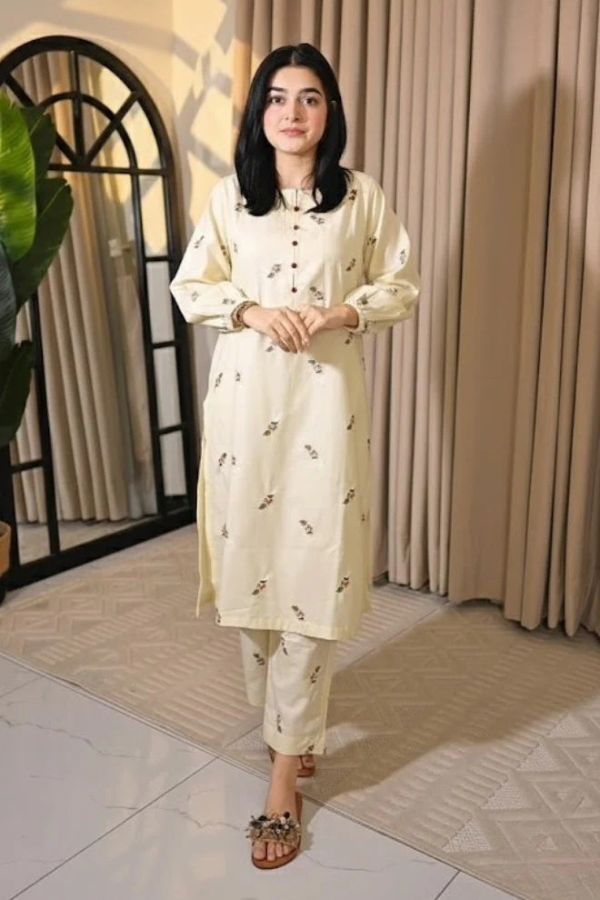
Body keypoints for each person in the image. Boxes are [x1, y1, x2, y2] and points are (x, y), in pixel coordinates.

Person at [169, 41, 421, 869]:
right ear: (259, 112)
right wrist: (249, 311)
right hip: (245, 411)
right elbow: (191, 285)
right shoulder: (231, 199)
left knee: (314, 573)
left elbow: (400, 284)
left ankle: (284, 774)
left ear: (329, 112)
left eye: (309, 98)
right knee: (249, 576)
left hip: (324, 411)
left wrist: (341, 312)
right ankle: (291, 724)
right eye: (277, 97)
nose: (292, 112)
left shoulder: (361, 198)